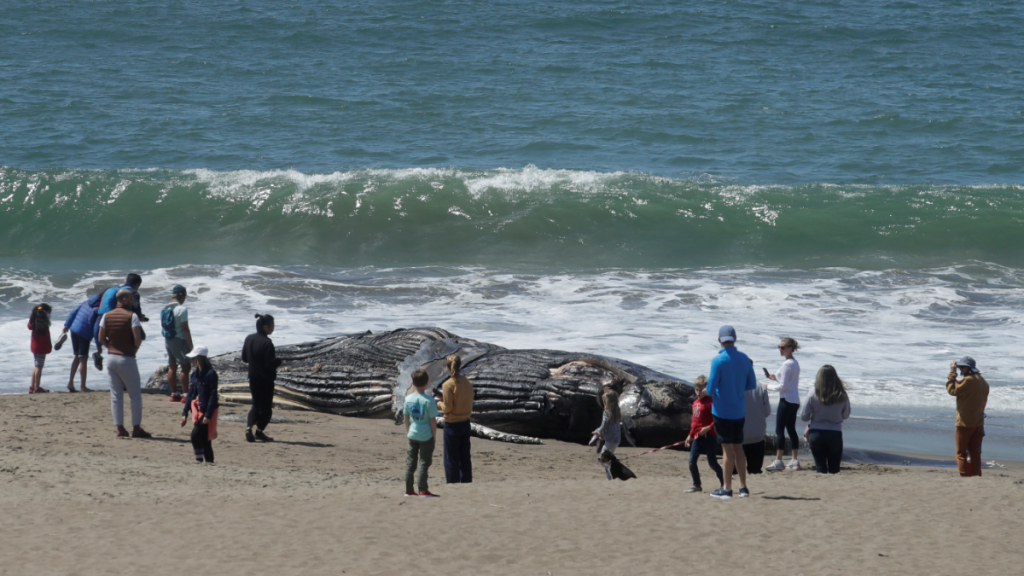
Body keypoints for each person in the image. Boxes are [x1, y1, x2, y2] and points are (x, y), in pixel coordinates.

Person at [705, 325, 756, 499]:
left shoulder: (718, 361)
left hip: (722, 411)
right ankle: (743, 487)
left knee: (727, 449)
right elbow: (751, 384)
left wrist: (715, 390)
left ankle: (727, 488)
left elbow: (710, 389)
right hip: (739, 410)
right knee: (738, 448)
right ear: (735, 339)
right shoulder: (745, 359)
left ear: (719, 340)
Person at [98, 289, 151, 438]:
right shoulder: (132, 316)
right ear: (125, 300)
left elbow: (101, 338)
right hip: (127, 358)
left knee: (116, 395)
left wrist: (110, 347)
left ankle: (120, 428)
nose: (133, 302)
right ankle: (136, 428)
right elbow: (137, 339)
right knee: (135, 395)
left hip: (111, 358)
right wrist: (133, 349)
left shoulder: (106, 316)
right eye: (131, 299)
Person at [799, 365, 851, 474]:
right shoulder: (842, 394)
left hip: (816, 433)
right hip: (835, 433)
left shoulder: (813, 392)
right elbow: (846, 415)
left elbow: (804, 416)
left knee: (820, 468)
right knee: (834, 470)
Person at [946, 357, 990, 478]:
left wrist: (952, 373)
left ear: (969, 368)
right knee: (975, 453)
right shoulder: (983, 381)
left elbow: (952, 390)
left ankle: (964, 477)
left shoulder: (968, 380)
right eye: (959, 367)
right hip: (978, 422)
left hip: (965, 423)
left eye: (962, 367)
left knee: (961, 453)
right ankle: (975, 476)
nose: (961, 369)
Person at [242, 313, 281, 442]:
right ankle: (259, 431)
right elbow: (270, 364)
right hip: (265, 379)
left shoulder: (249, 338)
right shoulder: (267, 343)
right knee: (266, 408)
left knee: (255, 405)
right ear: (265, 327)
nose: (273, 328)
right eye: (272, 325)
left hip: (253, 377)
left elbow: (244, 358)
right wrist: (278, 362)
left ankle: (248, 428)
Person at [437, 354, 474, 484]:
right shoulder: (467, 382)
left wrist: (439, 403)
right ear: (460, 365)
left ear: (447, 367)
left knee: (451, 458)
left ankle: (453, 484)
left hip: (452, 425)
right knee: (465, 457)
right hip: (465, 423)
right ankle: (467, 482)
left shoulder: (448, 384)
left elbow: (447, 408)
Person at [766, 337, 801, 471]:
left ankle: (779, 460)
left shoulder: (787, 364)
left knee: (779, 430)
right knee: (791, 429)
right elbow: (788, 382)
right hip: (794, 400)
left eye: (782, 347)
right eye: (779, 347)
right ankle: (794, 460)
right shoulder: (795, 363)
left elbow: (783, 387)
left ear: (790, 348)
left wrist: (767, 386)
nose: (780, 349)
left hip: (786, 400)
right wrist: (775, 378)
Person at [684, 376, 724, 493]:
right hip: (697, 438)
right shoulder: (695, 403)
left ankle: (724, 484)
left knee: (712, 463)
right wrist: (690, 436)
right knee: (691, 461)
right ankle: (697, 485)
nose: (698, 392)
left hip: (709, 437)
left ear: (706, 389)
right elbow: (695, 423)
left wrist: (708, 428)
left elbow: (717, 419)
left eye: (701, 390)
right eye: (696, 389)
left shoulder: (711, 402)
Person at [403, 369, 439, 497]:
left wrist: (408, 432)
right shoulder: (429, 401)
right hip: (426, 435)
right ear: (427, 383)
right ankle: (423, 490)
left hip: (412, 434)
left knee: (410, 462)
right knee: (424, 462)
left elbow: (406, 417)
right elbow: (433, 421)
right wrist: (434, 436)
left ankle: (409, 490)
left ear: (413, 383)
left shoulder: (408, 398)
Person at [181, 345, 219, 464]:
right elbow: (190, 395)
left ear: (199, 359)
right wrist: (185, 413)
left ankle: (199, 460)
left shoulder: (211, 374)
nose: (191, 361)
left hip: (207, 410)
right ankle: (208, 463)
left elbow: (213, 395)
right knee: (205, 439)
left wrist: (208, 415)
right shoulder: (194, 374)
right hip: (197, 410)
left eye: (193, 358)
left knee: (195, 435)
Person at [62, 294, 102, 393]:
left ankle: (70, 383)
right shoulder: (99, 310)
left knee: (77, 357)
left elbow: (73, 312)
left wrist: (66, 326)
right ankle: (83, 387)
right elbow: (96, 328)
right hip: (84, 333)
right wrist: (98, 344)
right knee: (83, 359)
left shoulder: (86, 303)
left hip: (74, 329)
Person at [162, 285, 194, 402]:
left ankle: (174, 394)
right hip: (179, 341)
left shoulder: (166, 308)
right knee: (185, 366)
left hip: (168, 340)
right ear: (183, 296)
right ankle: (186, 395)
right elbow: (185, 329)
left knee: (172, 366)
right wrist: (191, 346)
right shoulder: (182, 309)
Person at [742, 372, 772, 475]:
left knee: (735, 470)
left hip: (739, 434)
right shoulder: (761, 387)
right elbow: (767, 412)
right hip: (758, 434)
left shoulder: (734, 386)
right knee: (755, 471)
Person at [593, 389, 623, 481]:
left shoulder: (607, 412)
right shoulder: (617, 411)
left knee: (602, 460)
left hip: (610, 440)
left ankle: (612, 476)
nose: (603, 403)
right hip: (616, 439)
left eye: (604, 401)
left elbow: (603, 426)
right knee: (608, 459)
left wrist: (596, 432)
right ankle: (609, 477)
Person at [28, 304, 53, 393]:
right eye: (49, 313)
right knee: (39, 367)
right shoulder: (43, 327)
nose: (50, 315)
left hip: (34, 347)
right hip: (40, 348)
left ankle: (32, 386)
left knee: (36, 366)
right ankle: (37, 387)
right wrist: (49, 348)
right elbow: (45, 341)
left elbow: (29, 325)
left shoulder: (34, 323)